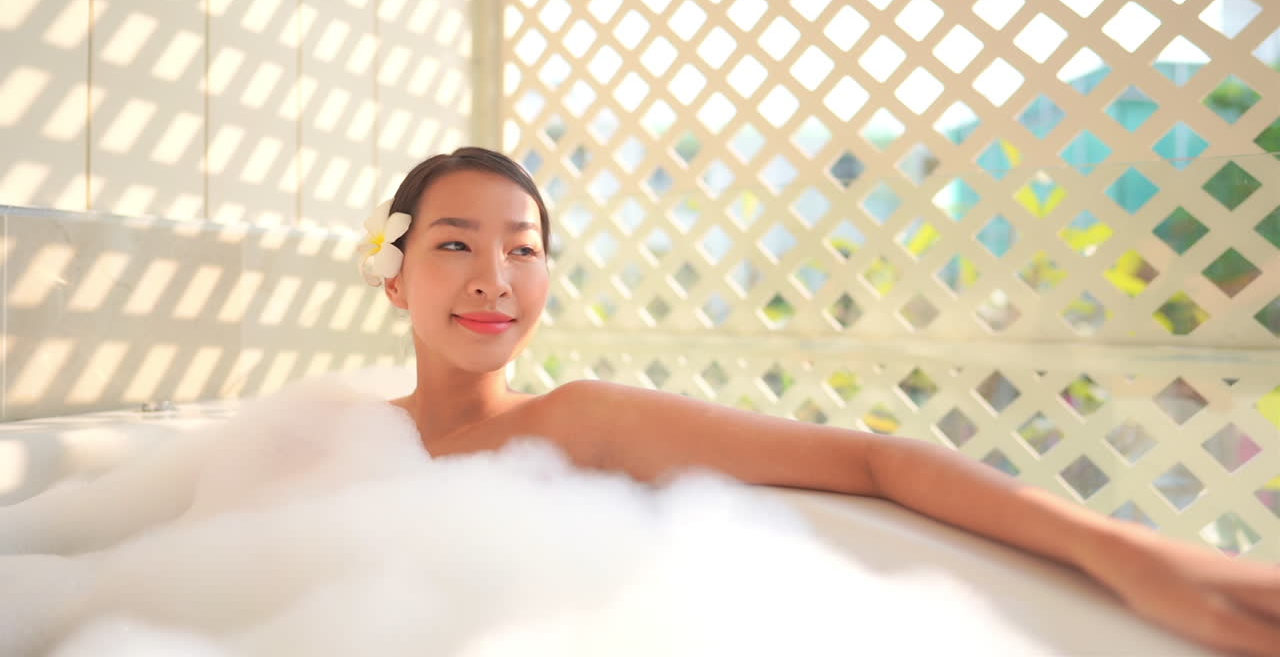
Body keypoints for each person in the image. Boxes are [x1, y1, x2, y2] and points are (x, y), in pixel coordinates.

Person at [365, 146, 1279, 657]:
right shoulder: (347, 445)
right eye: (455, 245)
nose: (494, 278)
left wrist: (1121, 554)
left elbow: (872, 460)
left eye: (523, 249)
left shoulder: (575, 421)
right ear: (394, 279)